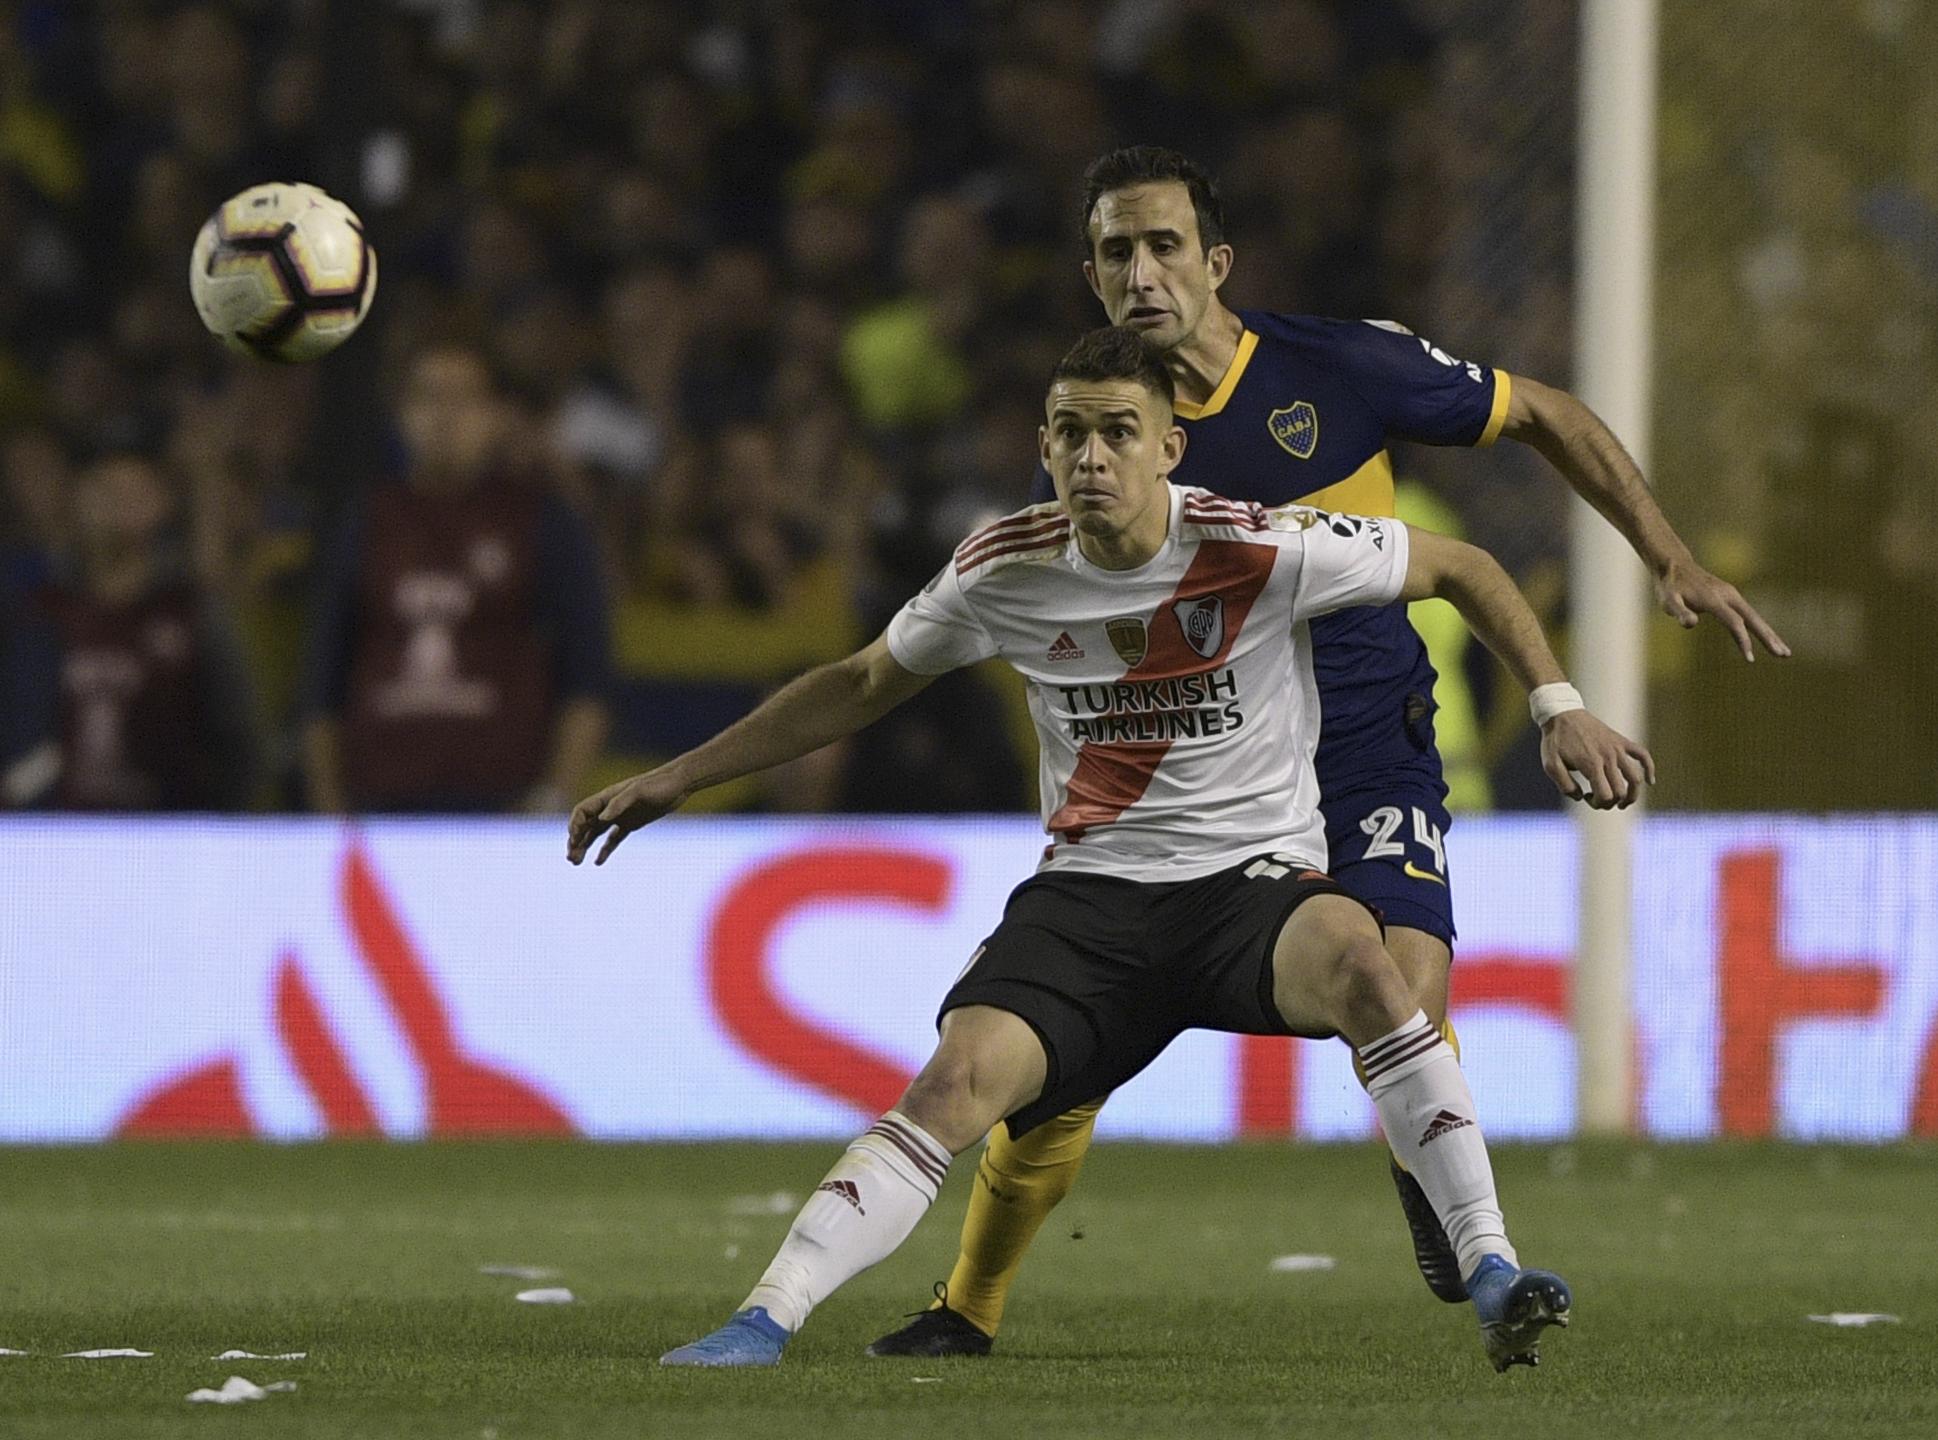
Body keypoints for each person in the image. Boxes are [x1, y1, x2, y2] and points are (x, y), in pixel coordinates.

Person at [570, 328, 1652, 1371]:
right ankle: (764, 1319)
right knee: (954, 1088)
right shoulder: (1004, 567)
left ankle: (1495, 1270)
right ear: (1042, 447)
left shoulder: (1255, 544)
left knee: (1374, 971)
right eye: (1070, 432)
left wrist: (1558, 704)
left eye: (1119, 432)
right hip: (1091, 902)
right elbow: (858, 684)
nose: (1092, 456)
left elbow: (1463, 567)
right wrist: (678, 776)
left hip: (1250, 893)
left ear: (1167, 447)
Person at [869, 146, 1792, 1358]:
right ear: (1089, 274)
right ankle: (967, 1310)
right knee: (1054, 1079)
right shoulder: (1102, 424)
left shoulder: (1343, 368)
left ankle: (1477, 1253)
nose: (1141, 274)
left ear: (1217, 262)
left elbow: (1546, 416)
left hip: (1360, 747)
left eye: (1162, 247)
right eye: (1114, 252)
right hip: (1194, 775)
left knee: (1404, 990)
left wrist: (1664, 557)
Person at [298, 342, 611, 815]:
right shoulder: (368, 521)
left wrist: (553, 798)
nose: (445, 417)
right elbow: (322, 681)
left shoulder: (539, 520)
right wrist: (329, 810)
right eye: (428, 398)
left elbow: (587, 677)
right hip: (378, 804)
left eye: (463, 399)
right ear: (401, 415)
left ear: (496, 416)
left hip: (499, 808)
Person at [1, 451, 260, 811]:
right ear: (78, 500)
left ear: (163, 502)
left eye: (135, 490)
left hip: (165, 831)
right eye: (107, 491)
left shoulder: (187, 612)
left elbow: (236, 735)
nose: (120, 504)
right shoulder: (40, 612)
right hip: (53, 836)